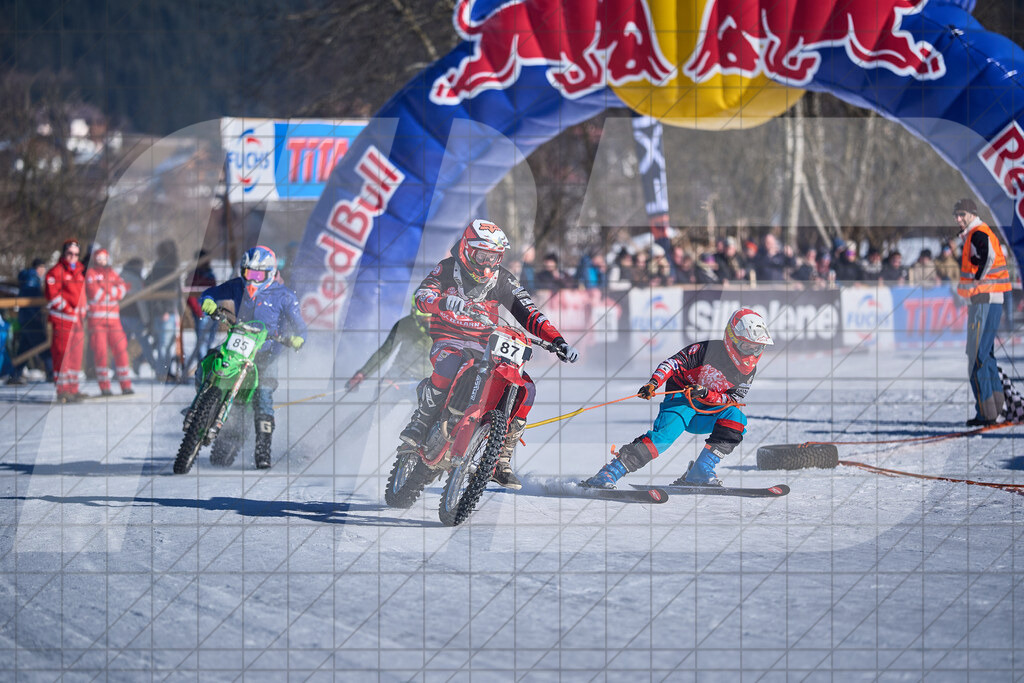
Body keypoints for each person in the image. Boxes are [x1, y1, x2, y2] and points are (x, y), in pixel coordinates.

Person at [400, 219, 579, 489]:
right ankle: (421, 421)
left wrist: (558, 340)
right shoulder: (448, 268)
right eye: (482, 255)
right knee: (450, 366)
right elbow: (422, 296)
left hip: (487, 342)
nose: (487, 263)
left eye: (494, 257)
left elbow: (529, 312)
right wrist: (444, 301)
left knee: (525, 387)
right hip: (450, 338)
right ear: (466, 250)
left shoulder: (503, 278)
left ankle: (499, 458)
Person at [583, 308, 772, 488]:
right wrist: (653, 383)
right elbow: (672, 363)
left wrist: (706, 394)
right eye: (747, 346)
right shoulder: (706, 350)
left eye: (757, 348)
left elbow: (732, 401)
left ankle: (700, 471)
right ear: (732, 340)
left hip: (707, 410)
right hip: (681, 401)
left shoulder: (749, 371)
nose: (752, 353)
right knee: (662, 440)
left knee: (736, 418)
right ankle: (608, 473)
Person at [198, 245, 307, 468]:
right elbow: (210, 294)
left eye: (257, 275)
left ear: (269, 273)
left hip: (267, 352)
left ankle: (263, 449)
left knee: (263, 395)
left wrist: (297, 339)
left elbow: (301, 328)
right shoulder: (238, 287)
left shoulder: (283, 296)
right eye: (248, 273)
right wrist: (208, 302)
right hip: (238, 347)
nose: (252, 280)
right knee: (211, 363)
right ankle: (201, 404)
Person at [952, 198, 1012, 426]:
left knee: (976, 356)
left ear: (971, 214)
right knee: (985, 354)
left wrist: (978, 280)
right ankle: (996, 408)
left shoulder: (977, 232)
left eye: (962, 214)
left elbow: (988, 257)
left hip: (984, 298)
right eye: (956, 215)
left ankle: (986, 413)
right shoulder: (976, 232)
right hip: (993, 298)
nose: (958, 219)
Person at [346, 298, 432, 399]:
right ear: (414, 311)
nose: (427, 323)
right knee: (376, 410)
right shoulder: (405, 324)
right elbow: (385, 351)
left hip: (425, 382)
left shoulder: (446, 328)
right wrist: (362, 373)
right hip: (397, 377)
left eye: (429, 319)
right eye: (422, 319)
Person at [84, 249, 134, 396]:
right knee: (100, 353)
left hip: (114, 320)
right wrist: (111, 291)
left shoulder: (112, 273)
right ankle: (104, 386)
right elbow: (95, 293)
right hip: (97, 321)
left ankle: (126, 385)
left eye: (104, 258)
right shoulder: (91, 273)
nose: (101, 260)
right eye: (98, 258)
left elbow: (121, 291)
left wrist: (107, 290)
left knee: (121, 350)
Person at [45, 238, 88, 402]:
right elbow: (52, 295)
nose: (73, 257)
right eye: (70, 253)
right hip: (62, 320)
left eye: (76, 254)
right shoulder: (55, 271)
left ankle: (73, 389)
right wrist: (68, 309)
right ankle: (62, 390)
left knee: (76, 356)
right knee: (62, 356)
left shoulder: (79, 271)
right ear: (64, 253)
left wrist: (83, 310)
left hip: (77, 322)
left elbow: (82, 295)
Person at [8, 258, 53, 384]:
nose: (44, 271)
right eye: (43, 268)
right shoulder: (32, 280)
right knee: (42, 344)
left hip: (26, 317)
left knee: (25, 348)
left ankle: (15, 374)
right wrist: (37, 314)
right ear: (39, 268)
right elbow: (30, 300)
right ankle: (51, 372)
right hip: (32, 318)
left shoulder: (29, 278)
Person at [147, 239, 183, 382]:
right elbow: (162, 290)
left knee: (166, 345)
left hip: (168, 311)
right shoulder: (164, 268)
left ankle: (165, 372)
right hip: (165, 312)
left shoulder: (162, 267)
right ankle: (163, 373)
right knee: (164, 345)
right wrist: (164, 310)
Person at [119, 257, 158, 376]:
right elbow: (141, 302)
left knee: (121, 344)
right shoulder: (135, 279)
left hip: (122, 315)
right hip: (134, 317)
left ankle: (116, 369)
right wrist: (146, 319)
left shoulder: (121, 275)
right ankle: (156, 368)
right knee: (145, 343)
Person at [185, 250, 218, 377]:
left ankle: (207, 366)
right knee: (202, 343)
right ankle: (204, 370)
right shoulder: (193, 274)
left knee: (210, 340)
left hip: (212, 311)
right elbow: (190, 294)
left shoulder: (210, 273)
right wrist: (198, 311)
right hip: (201, 312)